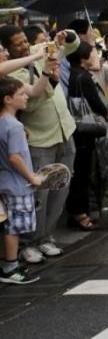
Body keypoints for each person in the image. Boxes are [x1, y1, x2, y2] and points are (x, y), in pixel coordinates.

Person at [1, 25, 76, 264]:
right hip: (40, 138)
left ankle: (46, 236)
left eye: (25, 40)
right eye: (17, 44)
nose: (24, 46)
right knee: (39, 193)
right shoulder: (10, 76)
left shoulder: (39, 50)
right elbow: (28, 104)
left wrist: (64, 38)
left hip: (65, 130)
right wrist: (48, 78)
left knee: (61, 186)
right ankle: (29, 242)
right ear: (8, 49)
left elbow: (70, 48)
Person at [0, 78, 42, 284]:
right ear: (8, 99)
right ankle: (10, 267)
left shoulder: (2, 122)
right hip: (17, 185)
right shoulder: (14, 126)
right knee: (13, 228)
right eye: (21, 94)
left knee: (6, 225)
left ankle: (7, 263)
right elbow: (15, 157)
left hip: (4, 182)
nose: (27, 97)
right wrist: (32, 177)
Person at [65, 42, 108, 230]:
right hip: (83, 131)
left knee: (80, 172)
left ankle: (78, 212)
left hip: (75, 129)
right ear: (83, 58)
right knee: (81, 173)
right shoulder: (83, 77)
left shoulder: (73, 74)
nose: (97, 56)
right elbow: (97, 103)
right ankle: (79, 214)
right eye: (94, 53)